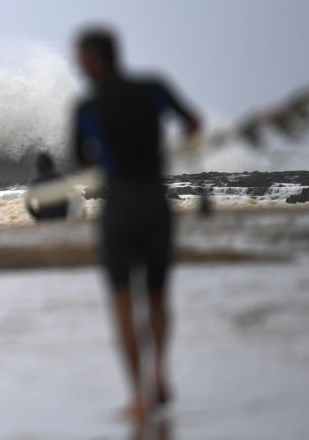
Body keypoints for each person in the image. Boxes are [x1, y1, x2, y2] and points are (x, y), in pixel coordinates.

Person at [72, 27, 200, 421]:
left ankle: (140, 395)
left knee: (124, 302)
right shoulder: (154, 88)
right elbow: (192, 124)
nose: (78, 64)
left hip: (121, 206)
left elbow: (82, 161)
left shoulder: (86, 108)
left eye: (80, 57)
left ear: (93, 60)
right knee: (158, 294)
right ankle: (160, 371)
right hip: (155, 202)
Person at [25, 152, 70, 222]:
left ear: (38, 167)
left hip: (44, 218)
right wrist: (65, 214)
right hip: (61, 218)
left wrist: (37, 217)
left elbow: (28, 203)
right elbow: (70, 197)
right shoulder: (60, 178)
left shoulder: (35, 182)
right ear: (51, 164)